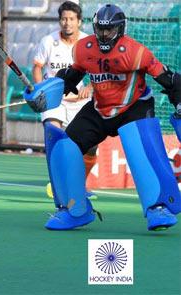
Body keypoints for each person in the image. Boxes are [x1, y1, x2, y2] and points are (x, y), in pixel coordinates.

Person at [25, 4, 180, 231]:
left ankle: (158, 208)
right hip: (99, 108)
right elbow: (71, 76)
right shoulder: (84, 49)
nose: (104, 35)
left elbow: (169, 79)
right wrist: (44, 93)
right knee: (66, 147)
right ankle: (75, 210)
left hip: (133, 107)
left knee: (142, 154)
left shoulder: (136, 52)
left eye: (109, 30)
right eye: (100, 29)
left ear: (120, 29)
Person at [32, 0, 97, 200]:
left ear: (79, 21)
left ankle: (80, 185)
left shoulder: (89, 42)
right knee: (55, 136)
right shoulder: (48, 41)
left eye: (71, 19)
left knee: (91, 147)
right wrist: (41, 89)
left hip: (79, 102)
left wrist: (90, 86)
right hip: (54, 101)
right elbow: (37, 67)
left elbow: (100, 69)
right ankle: (58, 183)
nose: (66, 23)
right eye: (63, 19)